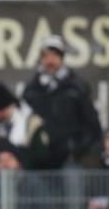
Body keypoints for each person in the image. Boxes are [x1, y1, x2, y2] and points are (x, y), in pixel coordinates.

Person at [23, 35, 102, 169]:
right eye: (46, 56)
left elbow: (93, 127)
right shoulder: (32, 89)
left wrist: (75, 148)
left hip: (70, 160)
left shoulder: (77, 87)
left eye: (54, 55)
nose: (50, 60)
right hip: (40, 160)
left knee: (72, 189)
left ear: (62, 57)